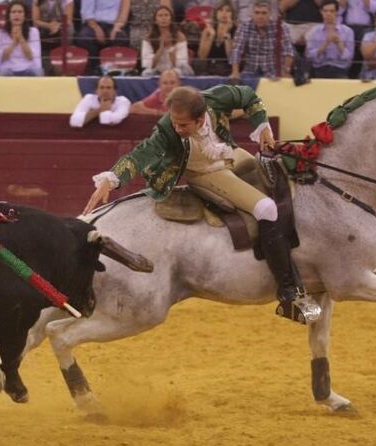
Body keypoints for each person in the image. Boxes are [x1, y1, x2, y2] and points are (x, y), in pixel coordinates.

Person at [82, 85, 320, 323]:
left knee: (275, 173)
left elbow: (248, 96)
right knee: (266, 208)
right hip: (206, 173)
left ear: (200, 118)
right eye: (175, 122)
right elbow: (141, 154)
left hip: (229, 156)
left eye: (183, 125)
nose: (177, 128)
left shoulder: (215, 99)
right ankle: (289, 293)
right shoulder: (168, 129)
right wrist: (111, 179)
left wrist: (263, 126)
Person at [229, 0, 294, 80]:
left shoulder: (281, 28)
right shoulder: (244, 27)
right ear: (252, 14)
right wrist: (235, 72)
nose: (260, 16)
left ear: (270, 14)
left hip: (273, 73)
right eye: (257, 13)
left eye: (264, 13)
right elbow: (236, 50)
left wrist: (285, 71)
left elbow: (288, 52)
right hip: (250, 72)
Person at [76, 0, 130, 74]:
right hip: (93, 24)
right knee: (85, 38)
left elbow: (124, 13)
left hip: (114, 24)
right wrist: (96, 28)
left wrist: (116, 27)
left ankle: (112, 70)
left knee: (121, 38)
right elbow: (86, 12)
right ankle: (93, 69)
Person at [304, 0, 354, 78]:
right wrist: (325, 44)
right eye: (325, 11)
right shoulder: (314, 31)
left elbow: (349, 59)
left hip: (340, 69)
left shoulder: (348, 31)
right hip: (319, 69)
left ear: (337, 12)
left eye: (332, 11)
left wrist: (339, 44)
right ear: (321, 12)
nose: (328, 14)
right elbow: (309, 56)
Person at [0, 0, 44, 75]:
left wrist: (21, 39)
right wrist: (14, 43)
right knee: (4, 72)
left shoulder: (33, 32)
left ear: (25, 15)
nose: (17, 14)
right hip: (8, 68)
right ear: (9, 15)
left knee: (37, 71)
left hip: (28, 67)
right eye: (13, 12)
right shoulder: (0, 33)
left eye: (20, 12)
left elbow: (31, 57)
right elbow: (2, 58)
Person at [141, 5, 194, 76]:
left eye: (166, 15)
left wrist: (172, 56)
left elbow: (183, 63)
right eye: (160, 16)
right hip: (157, 70)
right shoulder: (148, 38)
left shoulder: (180, 36)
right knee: (146, 73)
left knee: (181, 71)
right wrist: (159, 51)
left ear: (171, 19)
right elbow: (147, 64)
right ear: (155, 20)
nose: (163, 18)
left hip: (176, 69)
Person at [195, 1, 235, 77]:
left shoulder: (236, 30)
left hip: (227, 70)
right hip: (208, 69)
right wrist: (211, 36)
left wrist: (227, 33)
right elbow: (202, 56)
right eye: (221, 10)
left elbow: (231, 57)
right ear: (216, 13)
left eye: (228, 11)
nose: (224, 13)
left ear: (232, 14)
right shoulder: (208, 30)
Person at [33, 0, 73, 67]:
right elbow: (36, 21)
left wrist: (58, 26)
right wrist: (49, 26)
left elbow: (68, 20)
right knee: (35, 31)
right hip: (44, 25)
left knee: (70, 29)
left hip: (61, 25)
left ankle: (66, 56)